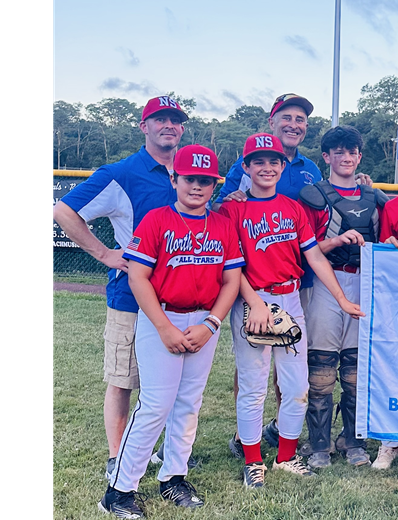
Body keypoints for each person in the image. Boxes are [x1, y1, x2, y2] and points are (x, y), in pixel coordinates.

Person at [100, 145, 243, 518]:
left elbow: (231, 280)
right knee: (156, 405)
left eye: (206, 181)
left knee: (189, 403)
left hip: (203, 321)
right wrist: (163, 327)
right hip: (161, 317)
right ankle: (118, 491)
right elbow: (138, 275)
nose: (197, 186)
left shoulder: (223, 224)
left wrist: (211, 324)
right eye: (190, 178)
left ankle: (173, 476)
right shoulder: (156, 219)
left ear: (215, 185)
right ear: (175, 180)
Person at [53, 95, 189, 481]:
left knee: (171, 383)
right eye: (159, 119)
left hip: (182, 296)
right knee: (123, 378)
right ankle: (118, 455)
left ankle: (165, 451)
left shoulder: (187, 170)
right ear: (143, 126)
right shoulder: (123, 172)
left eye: (175, 120)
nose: (168, 125)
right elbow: (63, 210)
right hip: (132, 295)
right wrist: (104, 253)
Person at [217, 133, 363, 489]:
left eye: (274, 161)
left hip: (291, 299)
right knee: (253, 386)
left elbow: (313, 255)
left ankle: (285, 456)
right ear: (247, 167)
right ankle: (253, 461)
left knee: (297, 385)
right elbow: (232, 267)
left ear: (283, 166)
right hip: (253, 301)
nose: (267, 167)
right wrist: (254, 303)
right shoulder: (232, 209)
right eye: (259, 162)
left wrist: (342, 299)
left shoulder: (292, 207)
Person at [296, 125, 390, 469]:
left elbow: (392, 238)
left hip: (364, 282)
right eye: (338, 152)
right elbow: (304, 250)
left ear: (360, 156)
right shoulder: (314, 196)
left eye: (352, 152)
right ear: (327, 157)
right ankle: (318, 442)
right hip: (326, 281)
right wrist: (336, 241)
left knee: (354, 370)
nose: (346, 158)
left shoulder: (375, 197)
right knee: (321, 369)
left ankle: (351, 439)